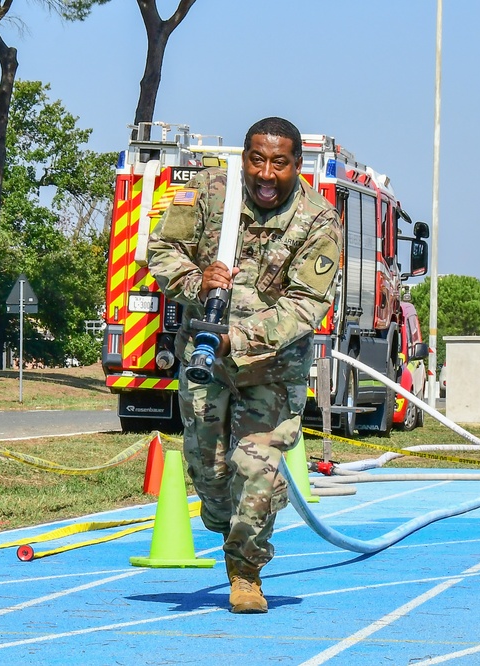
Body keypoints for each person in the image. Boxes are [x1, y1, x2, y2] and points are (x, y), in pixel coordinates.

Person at [146, 117, 341, 614]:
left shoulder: (318, 221)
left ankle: (246, 573)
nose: (267, 173)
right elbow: (161, 250)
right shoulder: (210, 192)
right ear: (244, 160)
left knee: (255, 472)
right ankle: (225, 522)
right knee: (210, 475)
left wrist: (239, 336)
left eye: (280, 163)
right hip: (206, 365)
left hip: (271, 370)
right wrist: (197, 280)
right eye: (258, 159)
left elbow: (304, 305)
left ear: (297, 166)